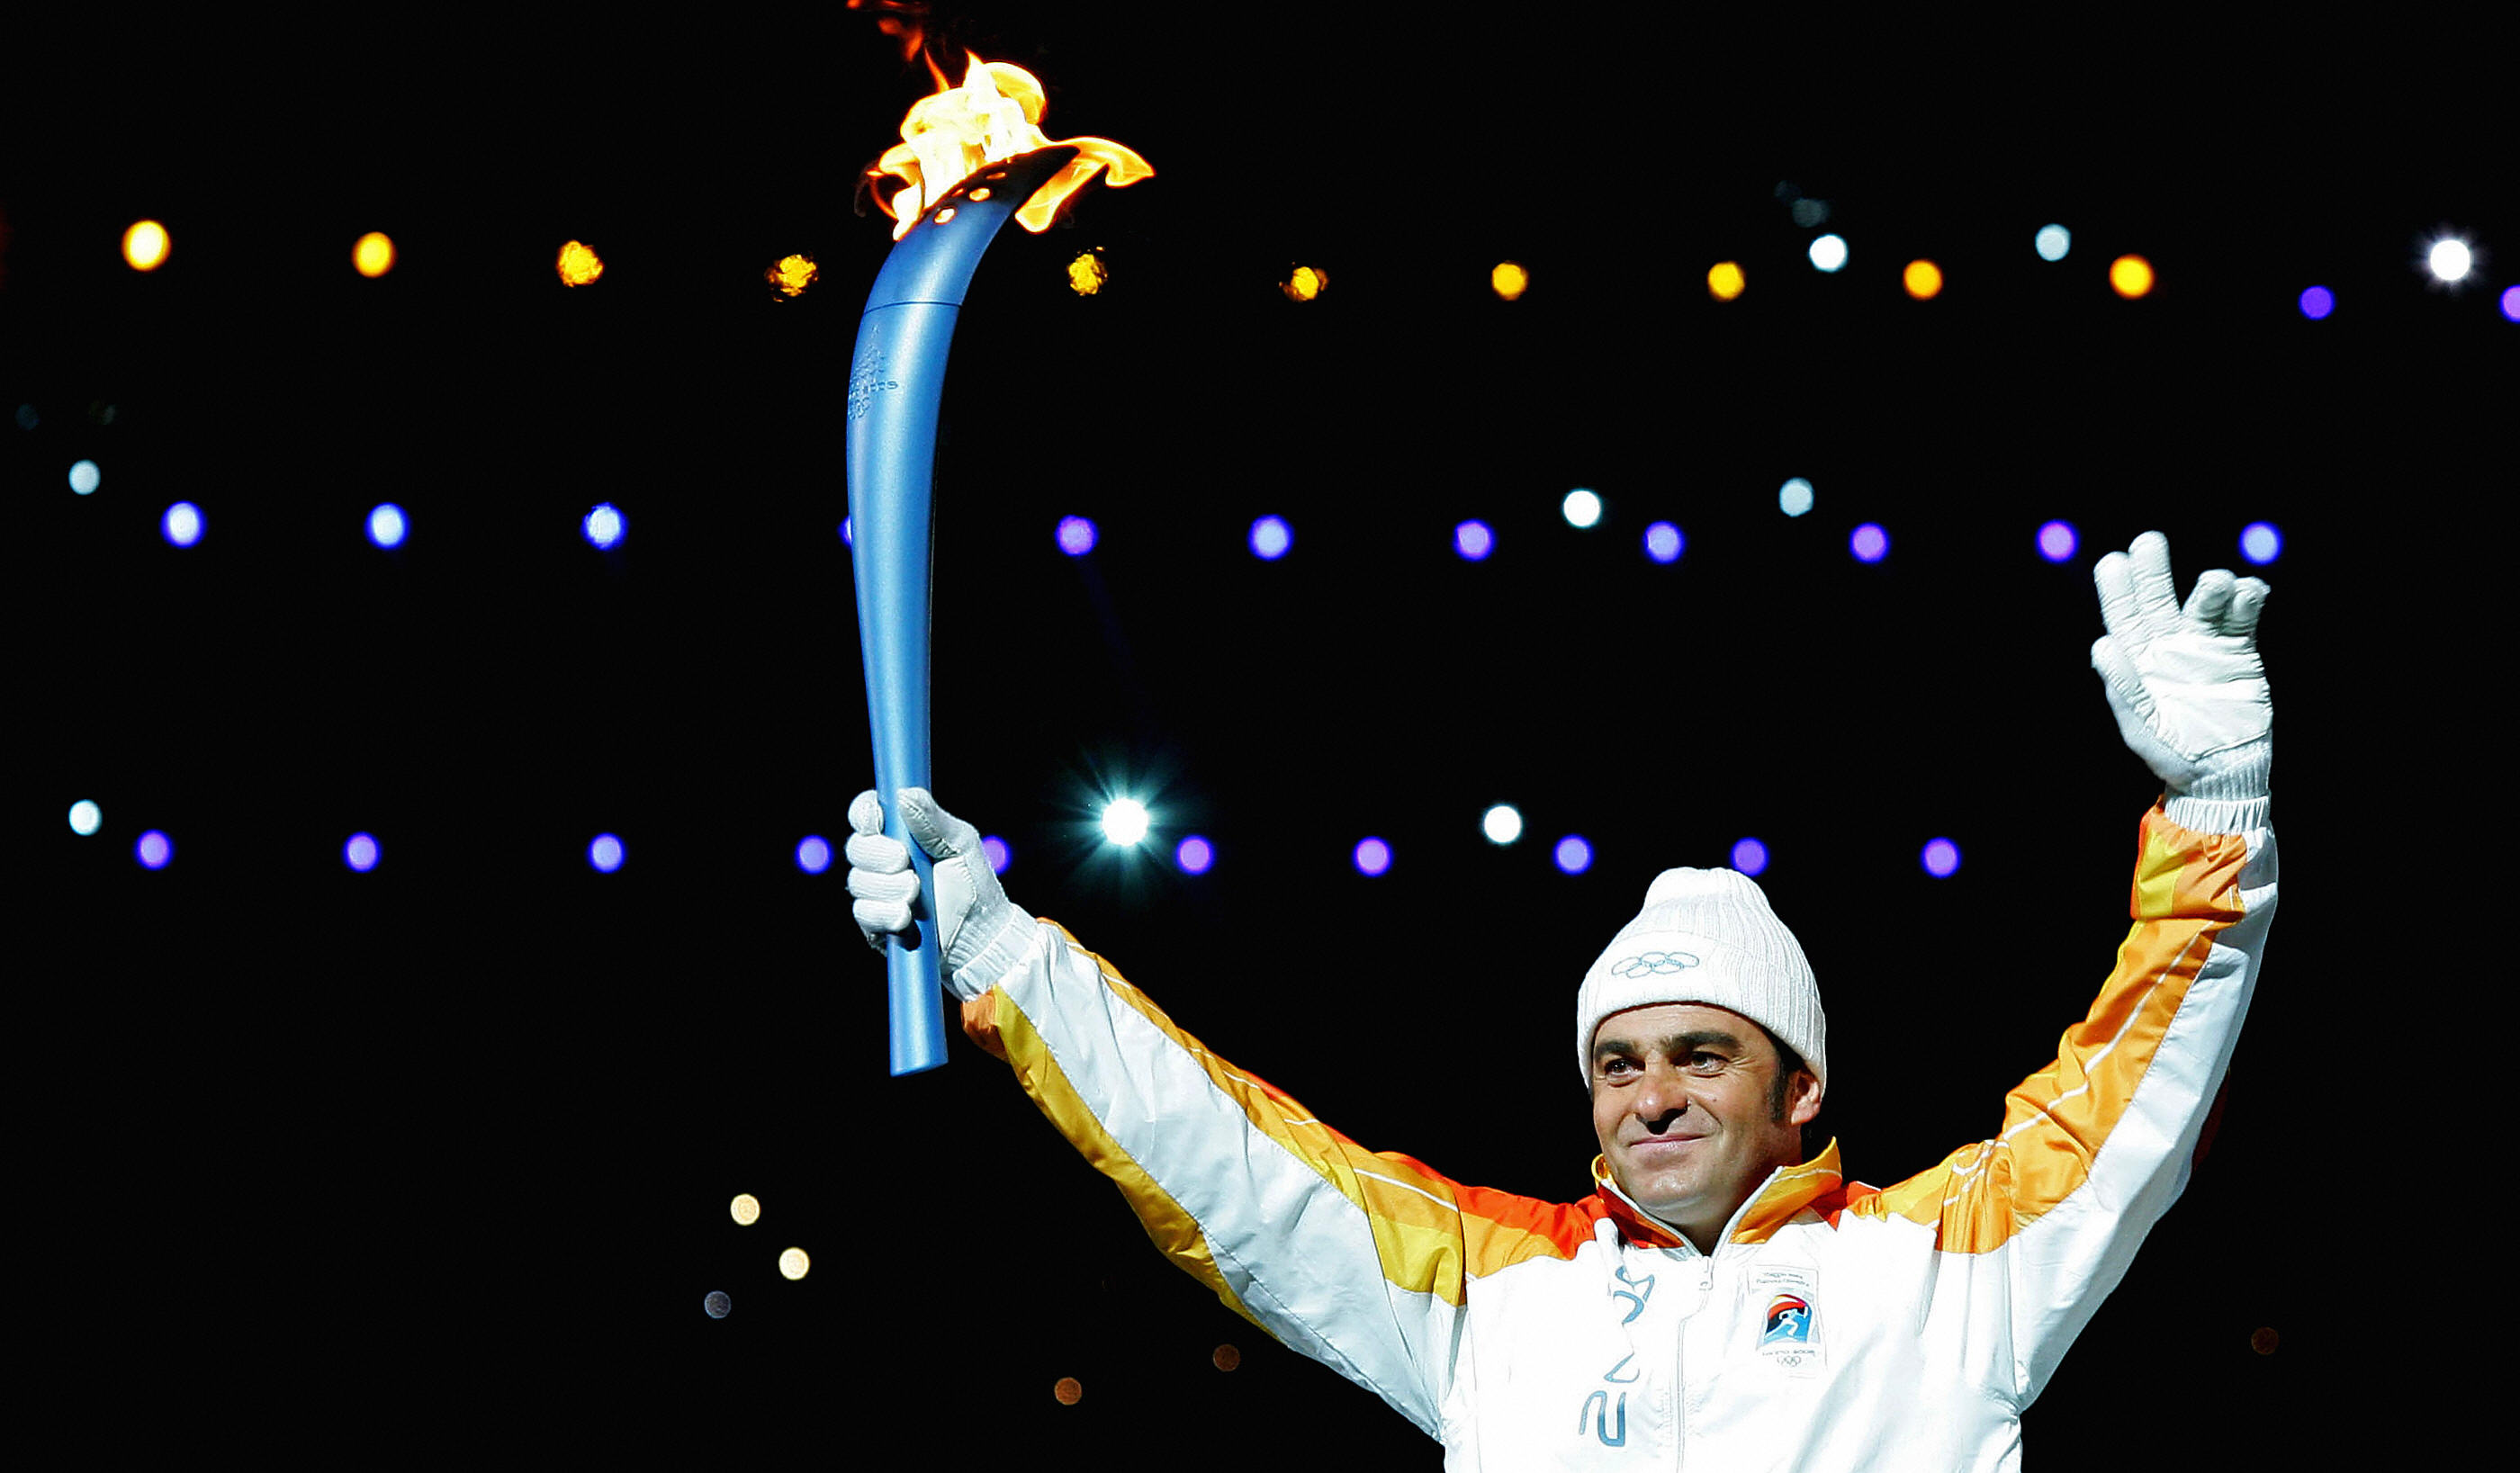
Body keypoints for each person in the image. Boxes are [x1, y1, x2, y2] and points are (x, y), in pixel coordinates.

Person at [845, 530, 2275, 1470]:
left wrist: (2214, 807)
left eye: (1702, 1054)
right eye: (1618, 1061)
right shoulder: (1491, 1290)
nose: (1649, 1092)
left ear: (1803, 1091)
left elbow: (2130, 1095)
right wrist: (994, 946)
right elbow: (1231, 1164)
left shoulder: (1952, 1270)